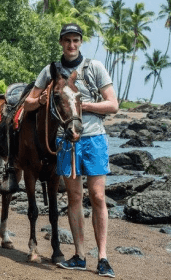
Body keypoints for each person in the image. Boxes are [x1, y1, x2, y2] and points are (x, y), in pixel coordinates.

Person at [23, 23, 118, 278]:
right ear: (61, 42)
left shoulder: (94, 67)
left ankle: (103, 258)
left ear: (80, 42)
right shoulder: (50, 70)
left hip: (94, 138)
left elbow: (113, 105)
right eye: (67, 40)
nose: (71, 45)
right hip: (66, 141)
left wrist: (81, 105)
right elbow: (29, 103)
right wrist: (41, 100)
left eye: (76, 40)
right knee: (74, 198)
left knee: (98, 197)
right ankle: (79, 255)